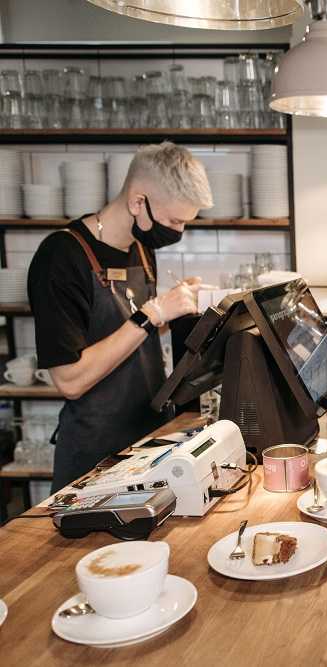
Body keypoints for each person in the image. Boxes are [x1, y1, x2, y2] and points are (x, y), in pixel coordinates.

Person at [27, 142, 213, 491]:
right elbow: (70, 380)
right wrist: (152, 313)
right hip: (94, 457)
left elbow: (127, 338)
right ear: (137, 200)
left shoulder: (141, 249)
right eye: (174, 220)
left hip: (147, 440)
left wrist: (177, 309)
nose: (179, 231)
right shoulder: (61, 257)